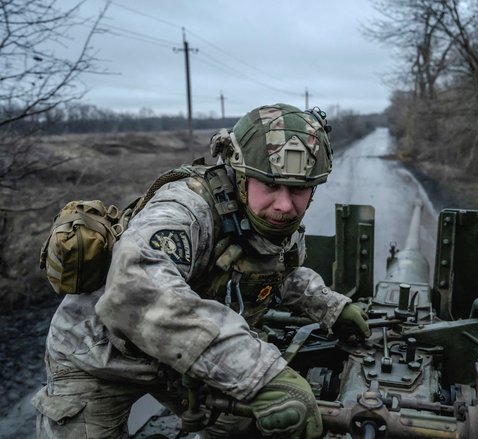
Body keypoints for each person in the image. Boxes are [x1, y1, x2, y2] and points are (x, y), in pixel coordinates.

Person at [32, 103, 371, 439]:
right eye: (269, 185)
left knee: (253, 426)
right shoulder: (186, 208)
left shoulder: (274, 223)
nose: (284, 205)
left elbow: (279, 272)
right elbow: (137, 290)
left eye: (298, 189)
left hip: (182, 355)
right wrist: (261, 374)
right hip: (100, 354)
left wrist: (330, 306)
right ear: (240, 176)